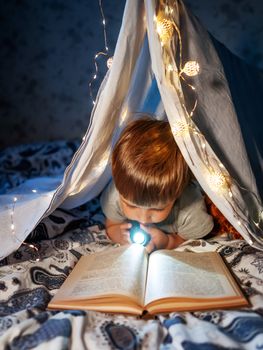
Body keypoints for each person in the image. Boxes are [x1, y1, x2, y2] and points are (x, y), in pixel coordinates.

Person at [100, 116, 214, 252]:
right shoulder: (115, 195)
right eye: (131, 205)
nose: (143, 217)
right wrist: (118, 234)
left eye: (157, 209)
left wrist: (168, 242)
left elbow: (191, 241)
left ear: (178, 194)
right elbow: (112, 224)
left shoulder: (190, 211)